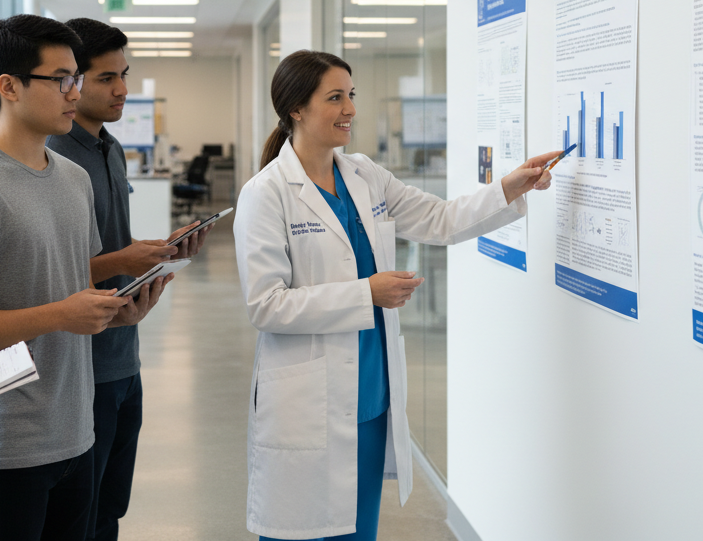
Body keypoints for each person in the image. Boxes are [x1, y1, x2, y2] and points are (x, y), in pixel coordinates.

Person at [234, 51, 559, 540]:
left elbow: (441, 219)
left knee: (357, 530)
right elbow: (266, 304)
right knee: (298, 530)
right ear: (296, 109)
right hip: (308, 398)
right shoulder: (268, 192)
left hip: (369, 393)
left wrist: (510, 187)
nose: (351, 109)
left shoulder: (364, 175)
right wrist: (366, 292)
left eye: (352, 95)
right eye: (335, 97)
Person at [0, 15, 154, 541]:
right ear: (10, 86)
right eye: (62, 79)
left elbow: (69, 285)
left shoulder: (71, 178)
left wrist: (117, 309)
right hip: (3, 446)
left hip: (75, 430)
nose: (75, 92)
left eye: (77, 78)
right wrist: (62, 316)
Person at [45, 17, 212, 541]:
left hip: (124, 356)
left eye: (125, 75)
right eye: (105, 78)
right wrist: (123, 259)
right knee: (77, 517)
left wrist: (155, 254)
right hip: (78, 364)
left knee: (110, 509)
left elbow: (107, 246)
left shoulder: (111, 149)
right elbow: (42, 271)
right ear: (72, 80)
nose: (122, 90)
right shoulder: (49, 156)